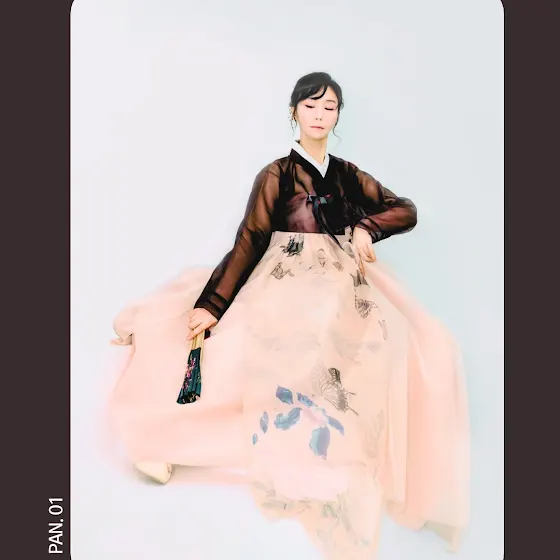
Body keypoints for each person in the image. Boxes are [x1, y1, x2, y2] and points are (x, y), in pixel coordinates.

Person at [107, 72, 470, 560]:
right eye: (311, 106)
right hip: (285, 276)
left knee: (419, 341)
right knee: (236, 346)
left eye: (330, 107)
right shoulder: (276, 173)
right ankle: (162, 439)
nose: (320, 116)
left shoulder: (347, 173)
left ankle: (392, 467)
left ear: (339, 116)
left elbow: (405, 210)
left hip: (341, 282)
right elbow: (250, 238)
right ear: (294, 112)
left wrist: (367, 227)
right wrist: (213, 304)